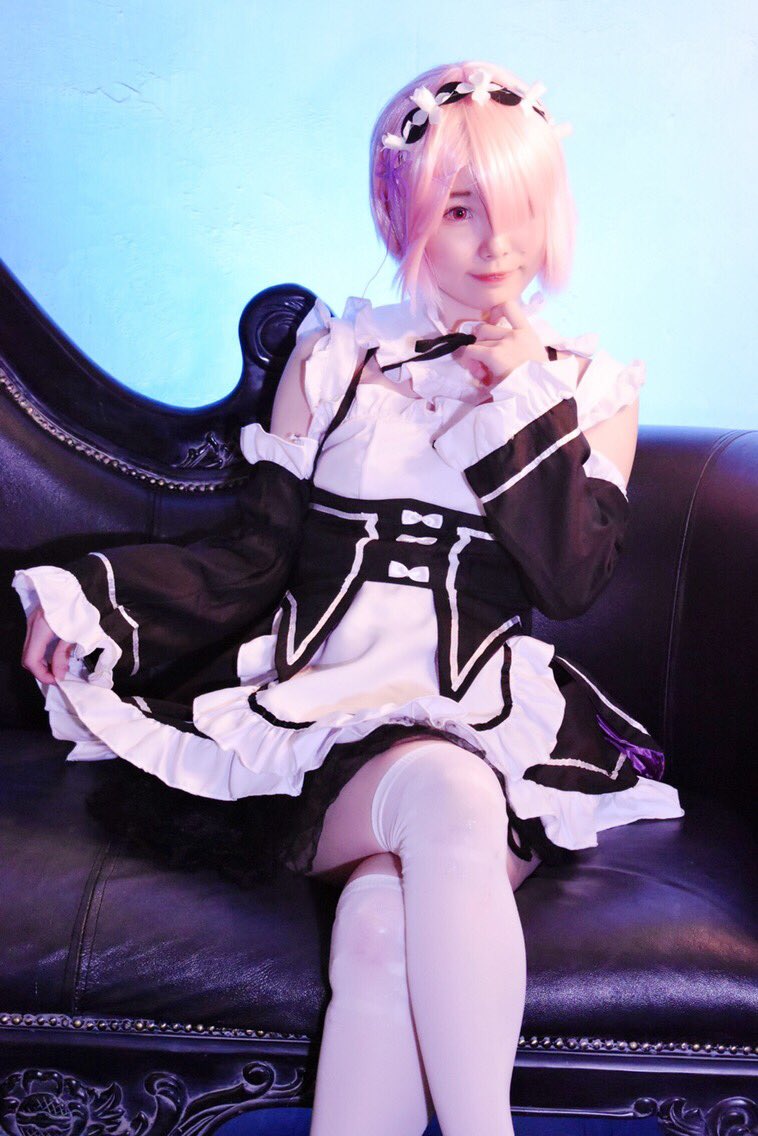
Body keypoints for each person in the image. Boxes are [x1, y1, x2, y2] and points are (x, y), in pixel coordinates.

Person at [15, 60, 685, 1136]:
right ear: (398, 206)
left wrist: (519, 395)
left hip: (489, 722)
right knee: (443, 796)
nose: (496, 244)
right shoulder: (336, 359)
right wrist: (91, 597)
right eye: (459, 210)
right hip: (323, 723)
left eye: (518, 207)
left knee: (378, 928)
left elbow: (570, 583)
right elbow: (249, 560)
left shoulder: (587, 389)